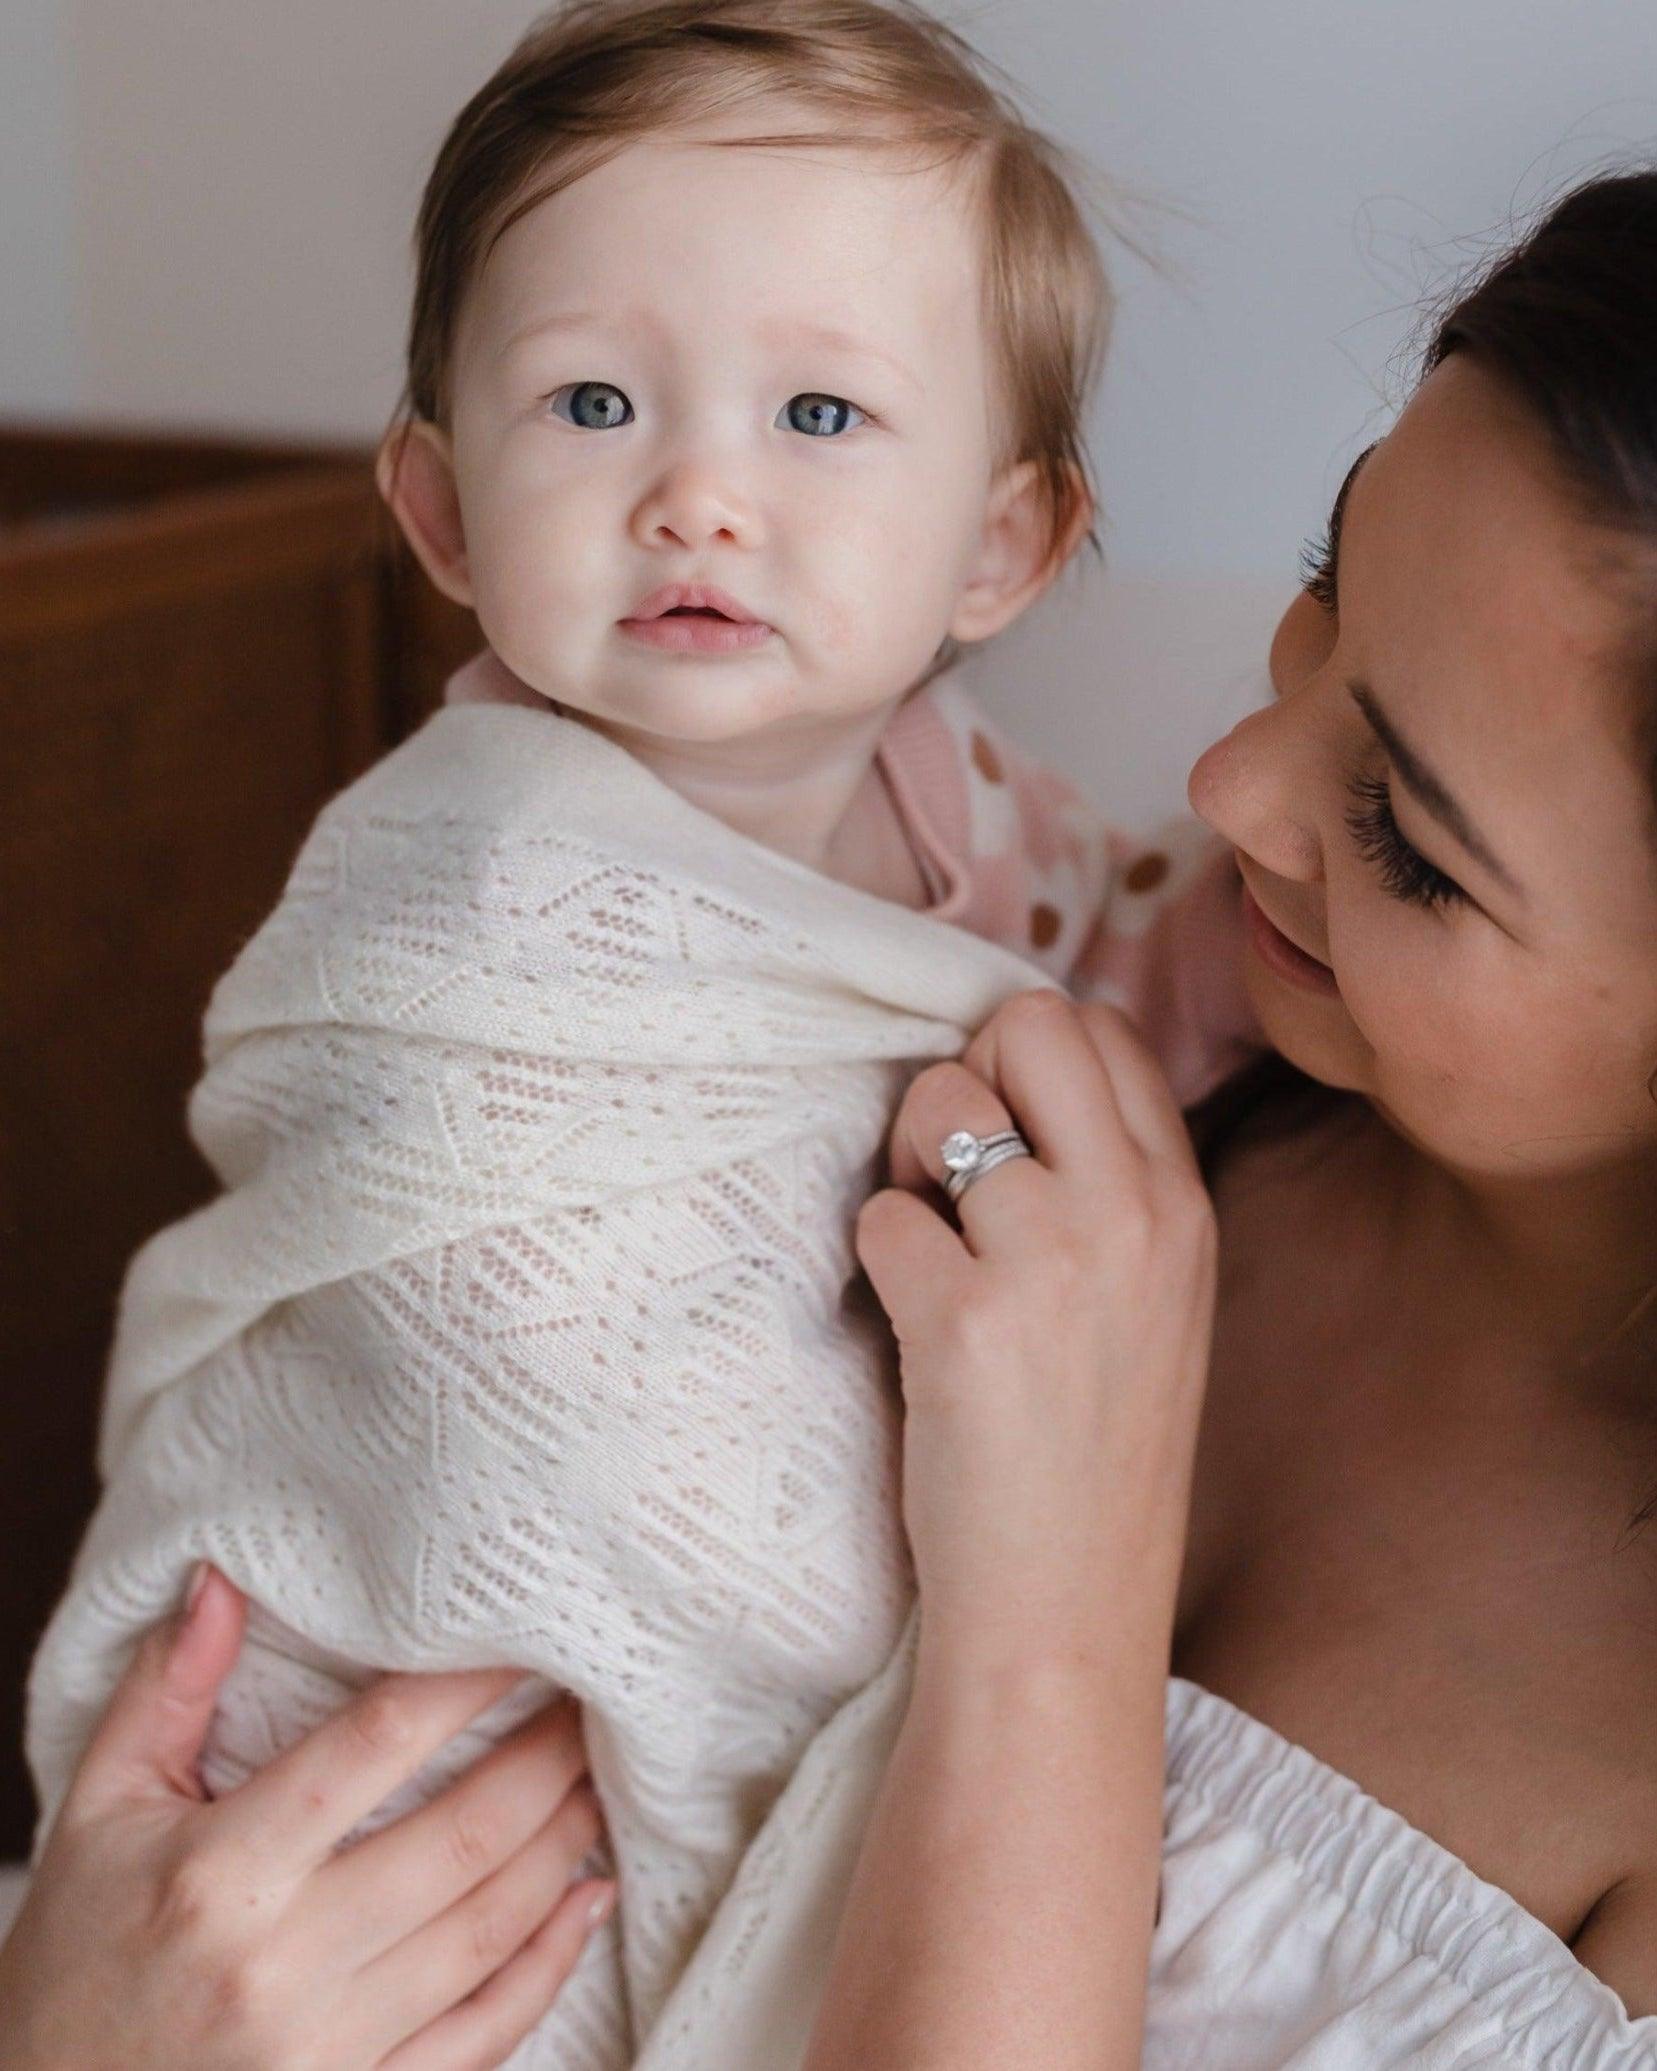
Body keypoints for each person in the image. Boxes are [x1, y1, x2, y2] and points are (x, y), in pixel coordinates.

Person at [6, 144, 1654, 2071]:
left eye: (1406, 839)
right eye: (1327, 586)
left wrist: (1053, 1603)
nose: (1226, 783)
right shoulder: (1101, 977)